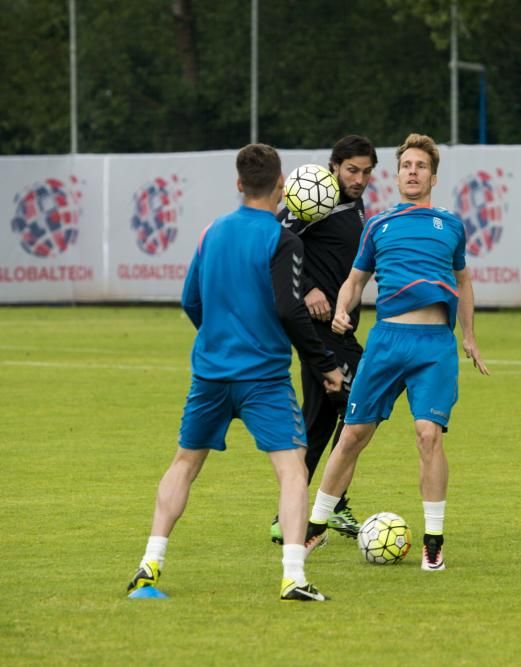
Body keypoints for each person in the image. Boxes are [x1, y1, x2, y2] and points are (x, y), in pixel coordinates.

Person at [126, 143, 344, 602]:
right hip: (262, 376)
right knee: (292, 471)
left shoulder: (212, 232)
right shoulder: (282, 239)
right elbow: (289, 308)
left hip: (210, 373)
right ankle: (293, 577)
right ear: (282, 185)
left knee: (185, 463)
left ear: (239, 184)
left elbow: (190, 300)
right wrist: (325, 365)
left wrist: (218, 337)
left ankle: (149, 564)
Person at [304, 133, 490, 571]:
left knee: (428, 435)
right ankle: (315, 526)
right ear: (397, 174)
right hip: (387, 342)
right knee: (351, 436)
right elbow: (355, 278)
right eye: (406, 165)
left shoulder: (451, 225)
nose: (412, 171)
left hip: (433, 347)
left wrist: (469, 335)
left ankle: (433, 541)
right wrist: (343, 308)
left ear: (433, 176)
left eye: (420, 166)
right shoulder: (378, 225)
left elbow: (463, 281)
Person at [269, 135, 378, 546]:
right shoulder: (315, 199)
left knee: (321, 421)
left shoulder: (355, 205)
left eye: (367, 171)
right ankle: (318, 507)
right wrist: (309, 288)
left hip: (342, 329)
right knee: (357, 411)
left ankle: (303, 511)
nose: (360, 178)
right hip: (322, 334)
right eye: (352, 170)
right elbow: (275, 244)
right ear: (334, 166)